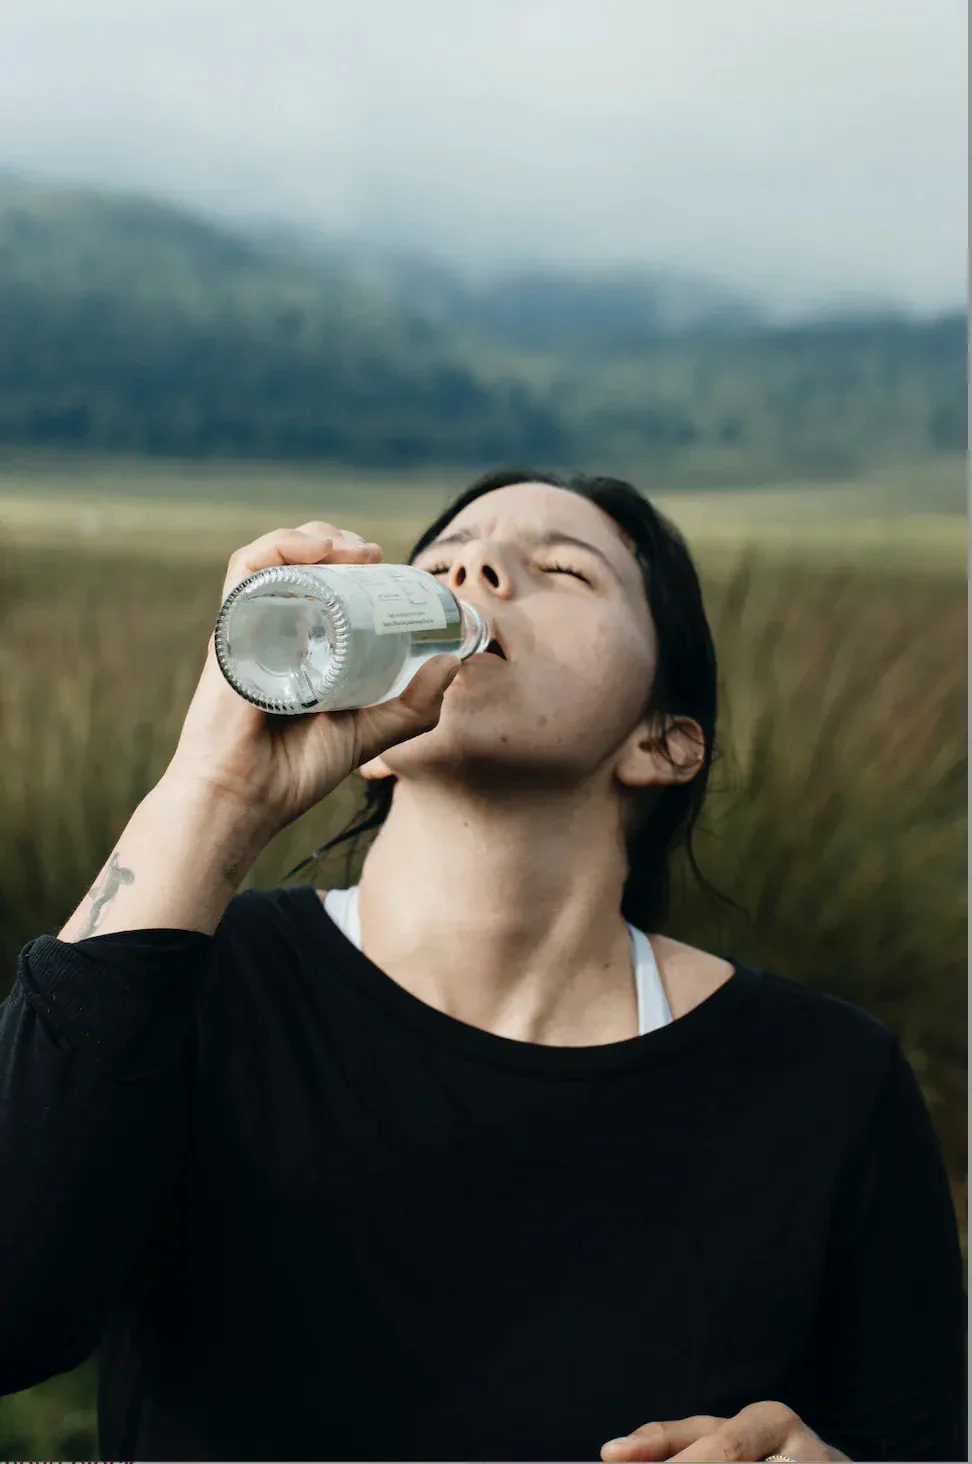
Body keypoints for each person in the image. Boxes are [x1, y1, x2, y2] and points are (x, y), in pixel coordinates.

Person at [0, 469, 965, 1464]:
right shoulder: (199, 982)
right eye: (445, 557)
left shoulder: (827, 1084)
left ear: (663, 743)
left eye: (561, 569)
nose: (478, 565)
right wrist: (214, 792)